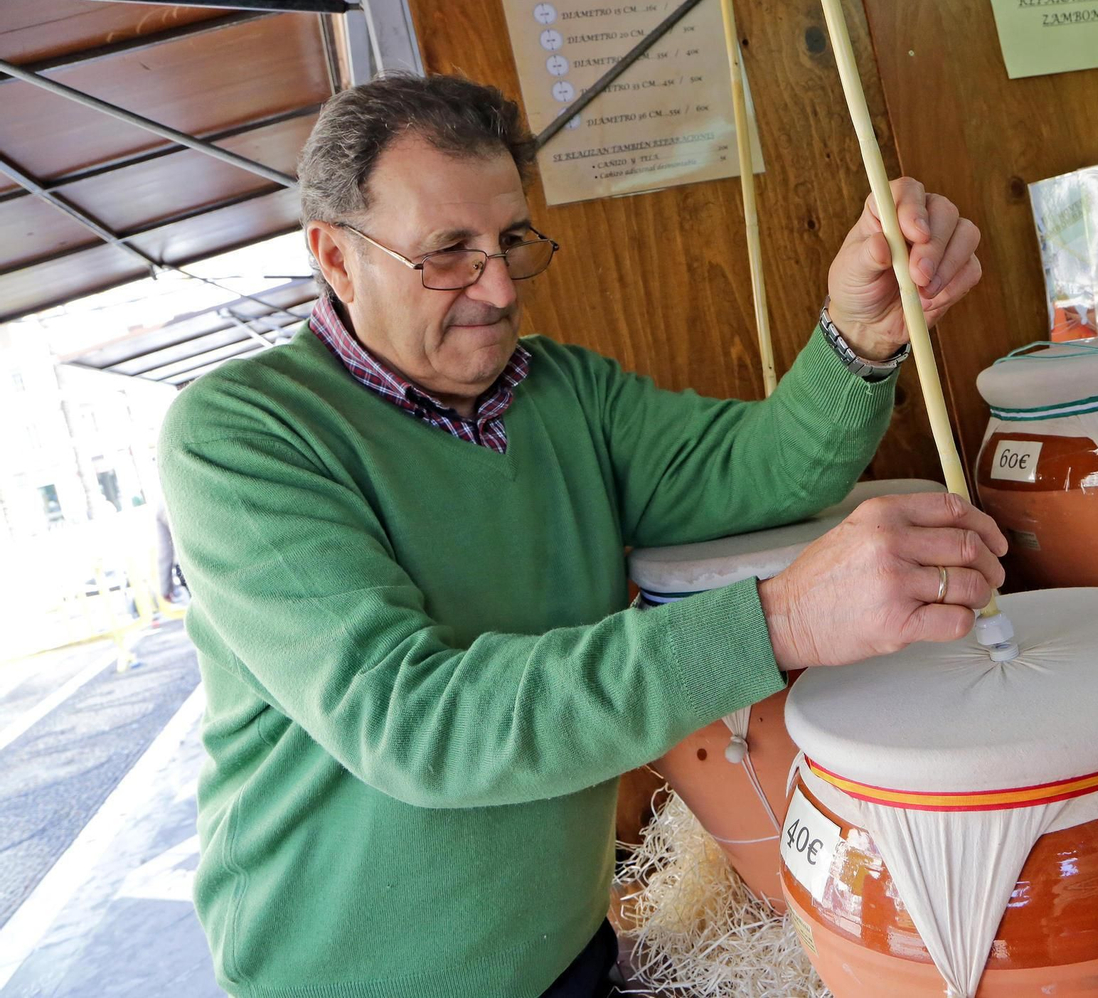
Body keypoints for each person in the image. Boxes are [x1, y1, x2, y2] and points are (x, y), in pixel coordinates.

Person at [158, 73, 1005, 998]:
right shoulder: (242, 435)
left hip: (563, 944)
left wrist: (860, 335)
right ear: (335, 256)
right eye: (447, 252)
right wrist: (782, 620)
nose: (495, 286)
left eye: (511, 241)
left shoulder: (560, 392)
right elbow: (412, 723)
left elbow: (762, 472)